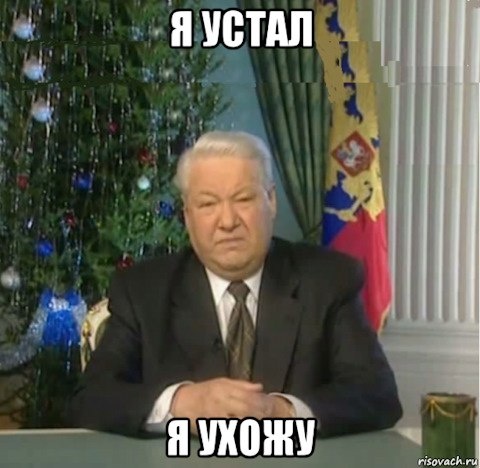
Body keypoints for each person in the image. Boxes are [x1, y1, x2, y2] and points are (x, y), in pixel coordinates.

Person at [69, 131, 402, 438]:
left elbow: (377, 395)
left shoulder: (329, 280)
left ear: (271, 201)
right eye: (208, 204)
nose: (227, 222)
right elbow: (92, 398)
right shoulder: (143, 290)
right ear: (187, 215)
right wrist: (180, 403)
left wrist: (284, 413)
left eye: (243, 199)